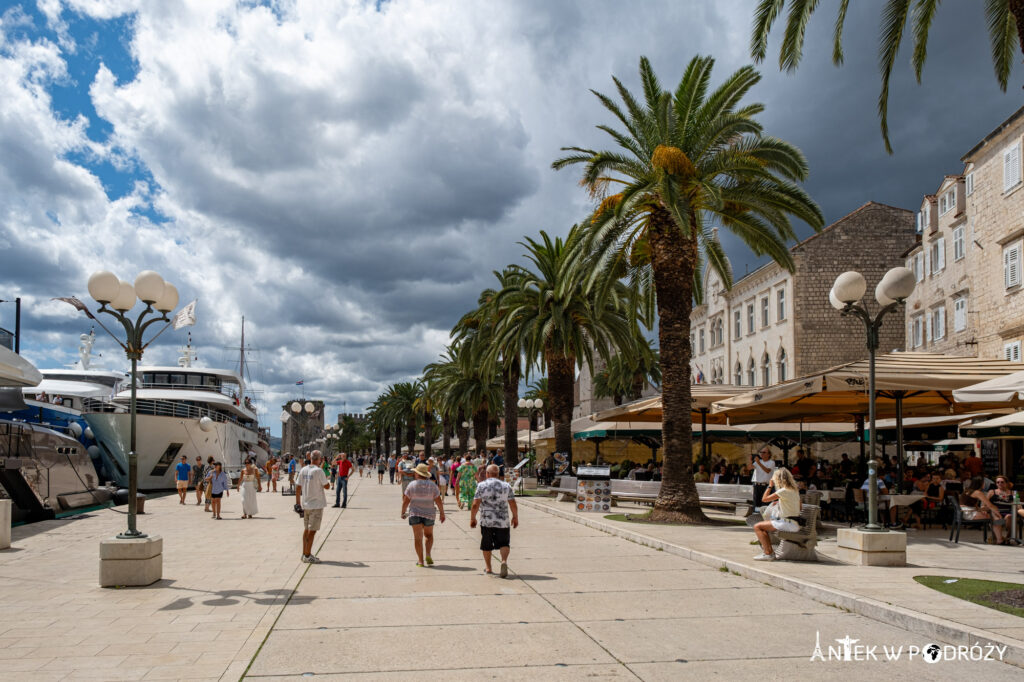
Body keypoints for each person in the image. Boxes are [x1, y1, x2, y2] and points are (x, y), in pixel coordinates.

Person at [470, 464, 518, 577]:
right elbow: (513, 504)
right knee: (504, 543)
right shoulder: (506, 486)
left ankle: (488, 568)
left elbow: (475, 504)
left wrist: (473, 518)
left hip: (487, 521)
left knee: (486, 544)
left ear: (487, 474)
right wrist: (515, 516)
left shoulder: (481, 486)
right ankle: (504, 561)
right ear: (497, 474)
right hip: (503, 521)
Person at [751, 468, 801, 561]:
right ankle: (769, 552)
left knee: (757, 526)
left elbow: (764, 499)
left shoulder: (783, 491)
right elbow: (799, 507)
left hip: (787, 524)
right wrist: (780, 502)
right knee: (764, 526)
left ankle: (768, 553)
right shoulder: (794, 490)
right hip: (794, 523)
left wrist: (770, 486)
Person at [401, 463, 445, 567]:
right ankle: (428, 553)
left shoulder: (412, 485)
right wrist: (442, 513)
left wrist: (402, 512)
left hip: (415, 514)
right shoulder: (432, 485)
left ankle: (420, 561)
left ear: (417, 474)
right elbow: (438, 501)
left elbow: (406, 501)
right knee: (429, 536)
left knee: (418, 538)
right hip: (429, 514)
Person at [296, 450, 331, 563]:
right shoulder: (319, 471)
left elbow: (298, 487)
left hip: (306, 504)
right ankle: (307, 555)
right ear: (319, 459)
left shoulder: (303, 470)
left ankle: (304, 553)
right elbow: (327, 486)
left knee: (306, 529)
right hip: (316, 504)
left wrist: (297, 503)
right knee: (312, 530)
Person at [961, 476, 1007, 544]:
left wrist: (983, 509)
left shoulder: (967, 490)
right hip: (970, 513)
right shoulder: (978, 493)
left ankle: (997, 538)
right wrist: (998, 513)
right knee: (994, 517)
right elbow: (990, 505)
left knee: (992, 514)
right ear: (981, 483)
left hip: (964, 512)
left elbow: (974, 505)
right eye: (983, 483)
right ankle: (999, 539)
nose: (985, 484)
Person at [751, 447, 776, 512]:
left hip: (766, 486)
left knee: (765, 504)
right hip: (757, 485)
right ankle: (756, 518)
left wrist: (758, 463)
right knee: (756, 504)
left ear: (769, 454)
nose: (762, 454)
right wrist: (751, 460)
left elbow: (767, 470)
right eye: (761, 452)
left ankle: (763, 519)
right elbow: (749, 468)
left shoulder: (771, 462)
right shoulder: (758, 462)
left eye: (764, 452)